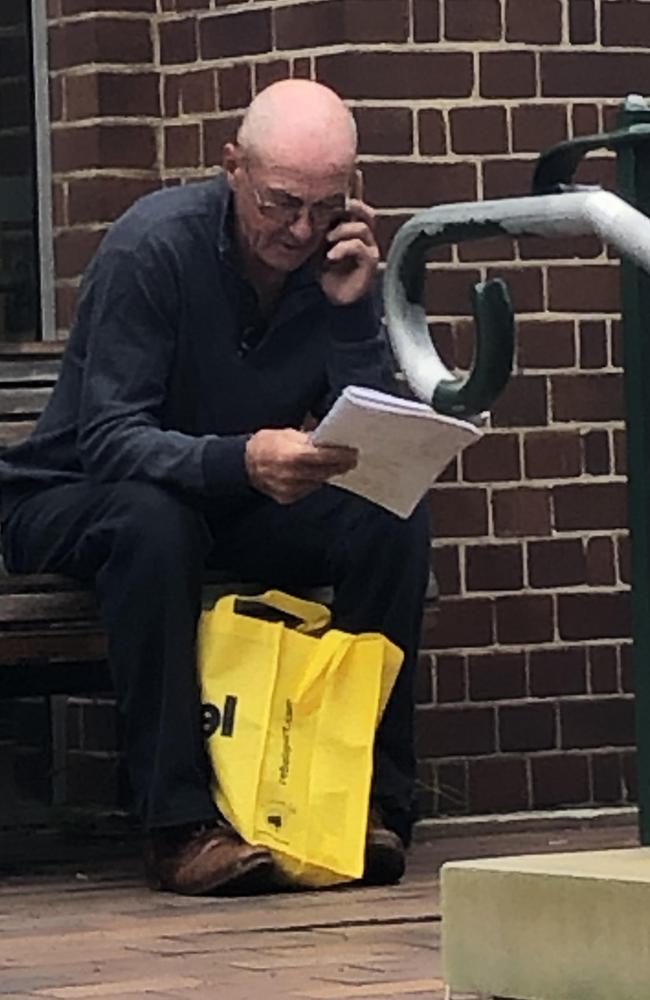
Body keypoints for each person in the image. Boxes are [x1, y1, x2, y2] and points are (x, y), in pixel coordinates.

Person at [0, 79, 431, 895]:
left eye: (322, 205)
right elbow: (109, 439)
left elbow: (372, 439)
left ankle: (365, 802)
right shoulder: (150, 248)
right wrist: (241, 461)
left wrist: (349, 313)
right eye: (279, 204)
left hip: (223, 499)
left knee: (388, 512)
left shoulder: (333, 262)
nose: (299, 229)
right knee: (152, 522)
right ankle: (179, 825)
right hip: (69, 493)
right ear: (233, 167)